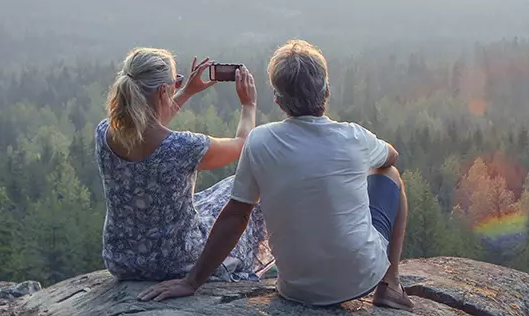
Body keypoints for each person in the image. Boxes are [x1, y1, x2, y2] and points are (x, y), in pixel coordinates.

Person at [139, 40, 413, 311]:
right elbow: (392, 157)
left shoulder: (260, 141)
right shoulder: (354, 136)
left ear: (278, 100)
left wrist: (192, 282)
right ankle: (390, 284)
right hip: (360, 280)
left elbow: (235, 216)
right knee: (390, 174)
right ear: (326, 91)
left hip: (296, 289)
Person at [96, 47, 273, 282]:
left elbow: (145, 125)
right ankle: (238, 263)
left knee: (204, 201)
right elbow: (242, 145)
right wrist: (249, 105)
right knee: (245, 189)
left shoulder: (105, 133)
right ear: (162, 91)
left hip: (121, 260)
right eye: (175, 83)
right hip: (176, 260)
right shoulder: (183, 147)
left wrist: (187, 91)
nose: (177, 86)